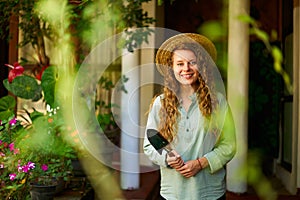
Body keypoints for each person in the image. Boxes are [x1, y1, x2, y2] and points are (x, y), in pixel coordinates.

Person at [143, 33, 236, 200]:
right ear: (172, 68)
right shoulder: (161, 103)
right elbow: (150, 144)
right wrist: (168, 158)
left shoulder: (218, 103)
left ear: (201, 67)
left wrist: (202, 163)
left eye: (192, 63)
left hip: (210, 192)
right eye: (180, 63)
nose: (186, 68)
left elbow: (229, 145)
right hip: (173, 193)